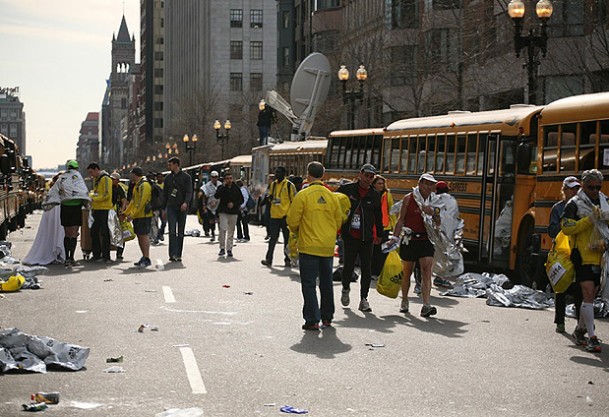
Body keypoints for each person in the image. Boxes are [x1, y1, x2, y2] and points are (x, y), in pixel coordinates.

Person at [287, 161, 343, 330]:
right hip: (327, 247)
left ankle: (312, 319)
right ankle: (327, 317)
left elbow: (292, 221)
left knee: (309, 284)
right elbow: (339, 220)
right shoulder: (331, 196)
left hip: (308, 246)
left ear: (308, 175)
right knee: (326, 283)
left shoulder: (303, 195)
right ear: (323, 175)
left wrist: (299, 231)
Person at [561, 169, 607, 352]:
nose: (595, 191)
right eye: (591, 187)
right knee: (588, 293)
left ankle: (580, 330)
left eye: (598, 187)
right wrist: (590, 219)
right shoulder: (574, 204)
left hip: (601, 255)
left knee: (592, 295)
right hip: (582, 254)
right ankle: (592, 338)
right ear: (583, 185)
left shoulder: (604, 201)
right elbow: (566, 227)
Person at [337, 164, 383, 313]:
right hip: (350, 236)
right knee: (348, 266)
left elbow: (379, 217)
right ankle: (345, 288)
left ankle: (364, 299)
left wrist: (380, 235)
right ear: (360, 174)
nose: (368, 179)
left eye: (371, 177)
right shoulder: (347, 189)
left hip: (366, 237)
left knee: (366, 268)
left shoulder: (375, 195)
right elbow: (334, 203)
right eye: (366, 176)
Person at [393, 173, 439, 317]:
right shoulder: (409, 198)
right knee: (407, 272)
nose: (429, 187)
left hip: (426, 239)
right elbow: (401, 220)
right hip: (410, 239)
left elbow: (439, 222)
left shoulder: (435, 201)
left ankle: (426, 305)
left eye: (431, 184)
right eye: (426, 183)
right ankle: (405, 300)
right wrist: (394, 238)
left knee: (426, 270)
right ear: (419, 184)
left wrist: (432, 213)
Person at [548, 176, 582, 333]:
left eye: (577, 188)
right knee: (560, 286)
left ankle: (581, 324)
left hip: (579, 251)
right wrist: (566, 223)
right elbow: (552, 231)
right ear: (564, 190)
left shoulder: (583, 207)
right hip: (562, 253)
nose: (575, 191)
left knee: (580, 288)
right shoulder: (558, 208)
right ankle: (560, 321)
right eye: (572, 188)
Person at [23, 172, 67, 265]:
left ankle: (58, 252)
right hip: (55, 214)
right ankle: (56, 253)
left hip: (56, 214)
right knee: (55, 232)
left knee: (56, 232)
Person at [261, 167, 296, 267]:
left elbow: (294, 201)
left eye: (278, 173)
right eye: (276, 172)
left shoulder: (289, 185)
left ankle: (288, 259)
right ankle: (269, 259)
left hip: (285, 216)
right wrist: (268, 198)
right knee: (273, 239)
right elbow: (269, 196)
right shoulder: (273, 184)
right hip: (274, 215)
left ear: (284, 174)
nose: (276, 174)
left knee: (287, 239)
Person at [431, 181, 463, 288]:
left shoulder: (433, 199)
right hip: (448, 232)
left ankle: (422, 279)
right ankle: (439, 277)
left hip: (434, 231)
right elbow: (455, 217)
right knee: (443, 255)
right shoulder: (452, 200)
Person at [163, 157, 193, 262]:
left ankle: (178, 254)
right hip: (171, 207)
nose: (169, 166)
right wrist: (164, 209)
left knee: (180, 232)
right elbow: (165, 194)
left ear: (176, 165)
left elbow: (189, 191)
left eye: (170, 164)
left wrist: (185, 203)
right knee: (172, 231)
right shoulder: (168, 178)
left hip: (182, 208)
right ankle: (172, 254)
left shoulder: (186, 177)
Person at [86, 162, 113, 263]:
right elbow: (95, 191)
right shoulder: (96, 179)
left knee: (104, 233)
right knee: (94, 232)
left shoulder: (105, 178)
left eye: (91, 172)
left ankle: (106, 256)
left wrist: (93, 198)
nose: (91, 174)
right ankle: (96, 254)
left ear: (97, 169)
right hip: (96, 209)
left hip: (104, 209)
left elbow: (106, 195)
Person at [371, 175, 396, 279]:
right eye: (379, 183)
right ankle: (372, 271)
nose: (381, 185)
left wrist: (394, 226)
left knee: (382, 251)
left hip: (384, 227)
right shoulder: (370, 193)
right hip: (372, 227)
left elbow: (391, 211)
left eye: (382, 183)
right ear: (374, 184)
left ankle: (378, 272)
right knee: (373, 251)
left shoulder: (387, 195)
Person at [213, 172, 244, 258]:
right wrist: (223, 186)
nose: (229, 180)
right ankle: (222, 248)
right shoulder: (221, 188)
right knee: (222, 229)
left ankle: (229, 249)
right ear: (224, 180)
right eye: (227, 179)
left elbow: (241, 200)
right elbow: (216, 196)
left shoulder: (236, 188)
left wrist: (234, 204)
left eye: (230, 178)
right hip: (223, 212)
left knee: (231, 231)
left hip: (233, 212)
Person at [110, 172, 128, 261]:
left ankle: (119, 253)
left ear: (117, 180)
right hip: (109, 212)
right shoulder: (108, 187)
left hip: (117, 212)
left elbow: (124, 200)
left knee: (120, 233)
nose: (111, 180)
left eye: (113, 179)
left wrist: (123, 210)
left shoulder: (120, 188)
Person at [200, 171, 221, 241]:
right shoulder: (207, 185)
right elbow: (204, 196)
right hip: (210, 205)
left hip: (218, 204)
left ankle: (220, 235)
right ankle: (213, 234)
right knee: (211, 220)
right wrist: (204, 206)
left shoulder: (220, 185)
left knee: (219, 220)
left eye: (215, 177)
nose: (214, 178)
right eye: (213, 177)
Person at [156, 172, 167, 242]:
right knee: (155, 223)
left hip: (164, 207)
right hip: (156, 207)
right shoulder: (154, 186)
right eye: (158, 177)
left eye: (161, 177)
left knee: (164, 222)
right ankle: (157, 235)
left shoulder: (166, 186)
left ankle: (161, 233)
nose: (160, 178)